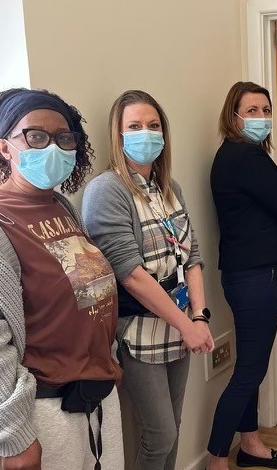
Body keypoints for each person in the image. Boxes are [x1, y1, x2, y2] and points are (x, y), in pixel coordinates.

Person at [0, 88, 124, 470]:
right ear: (5, 148)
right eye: (35, 136)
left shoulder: (59, 205)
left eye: (63, 137)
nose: (52, 146)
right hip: (40, 415)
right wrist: (15, 438)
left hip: (94, 398)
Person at [82, 89, 214, 470]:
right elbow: (131, 275)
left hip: (181, 325)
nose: (147, 133)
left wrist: (200, 318)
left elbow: (193, 258)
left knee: (173, 428)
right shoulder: (107, 191)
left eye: (153, 125)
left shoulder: (169, 189)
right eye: (135, 126)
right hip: (140, 331)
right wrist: (188, 325)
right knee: (159, 436)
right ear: (118, 135)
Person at [207, 81, 277, 470]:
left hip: (253, 274)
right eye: (251, 111)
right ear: (233, 116)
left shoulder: (242, 155)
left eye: (265, 109)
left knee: (252, 365)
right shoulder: (242, 157)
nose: (261, 117)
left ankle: (250, 444)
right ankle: (217, 458)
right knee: (250, 369)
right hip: (255, 277)